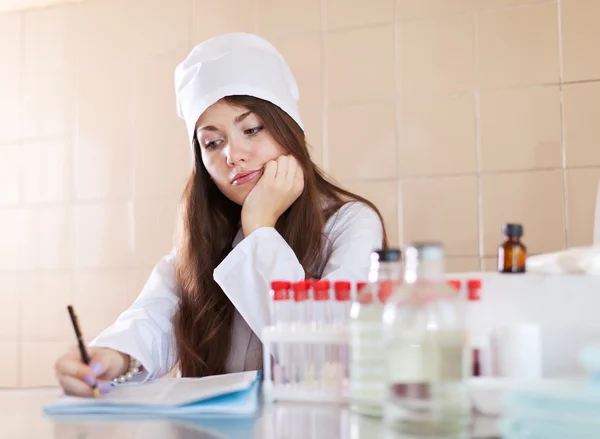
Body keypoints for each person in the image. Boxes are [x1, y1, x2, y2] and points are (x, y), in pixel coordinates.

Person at [54, 32, 388, 396]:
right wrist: (111, 359)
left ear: (288, 130)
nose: (233, 154)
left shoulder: (351, 225)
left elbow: (321, 357)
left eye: (252, 129)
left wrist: (260, 228)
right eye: (213, 142)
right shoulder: (202, 241)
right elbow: (152, 319)